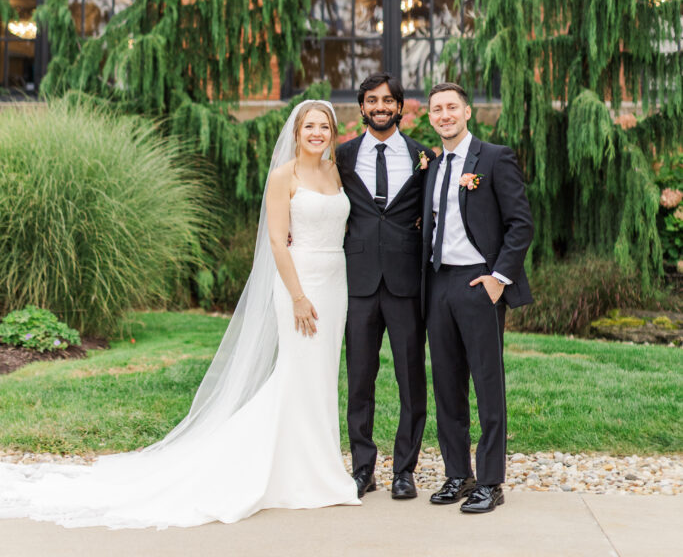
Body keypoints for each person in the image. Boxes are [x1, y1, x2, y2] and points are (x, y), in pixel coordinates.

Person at [0, 100, 359, 529]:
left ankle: (317, 466)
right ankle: (296, 473)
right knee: (297, 373)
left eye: (324, 127)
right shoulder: (284, 176)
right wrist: (298, 296)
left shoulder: (335, 173)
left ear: (332, 133)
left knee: (322, 375)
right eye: (310, 126)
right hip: (300, 284)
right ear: (297, 132)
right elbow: (277, 243)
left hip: (334, 282)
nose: (317, 133)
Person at [421, 82, 533, 514]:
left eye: (452, 107)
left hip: (479, 282)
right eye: (437, 109)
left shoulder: (494, 158)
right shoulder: (432, 165)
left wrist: (498, 278)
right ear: (430, 117)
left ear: (467, 112)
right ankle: (458, 474)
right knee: (446, 384)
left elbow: (520, 224)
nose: (445, 115)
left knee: (487, 383)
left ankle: (489, 481)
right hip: (439, 283)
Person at [336, 73, 435, 501]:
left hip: (405, 281)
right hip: (357, 282)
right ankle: (363, 468)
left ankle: (404, 471)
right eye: (372, 100)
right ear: (362, 107)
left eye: (388, 100)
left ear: (399, 107)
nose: (380, 107)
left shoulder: (423, 156)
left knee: (411, 379)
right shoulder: (342, 157)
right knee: (360, 379)